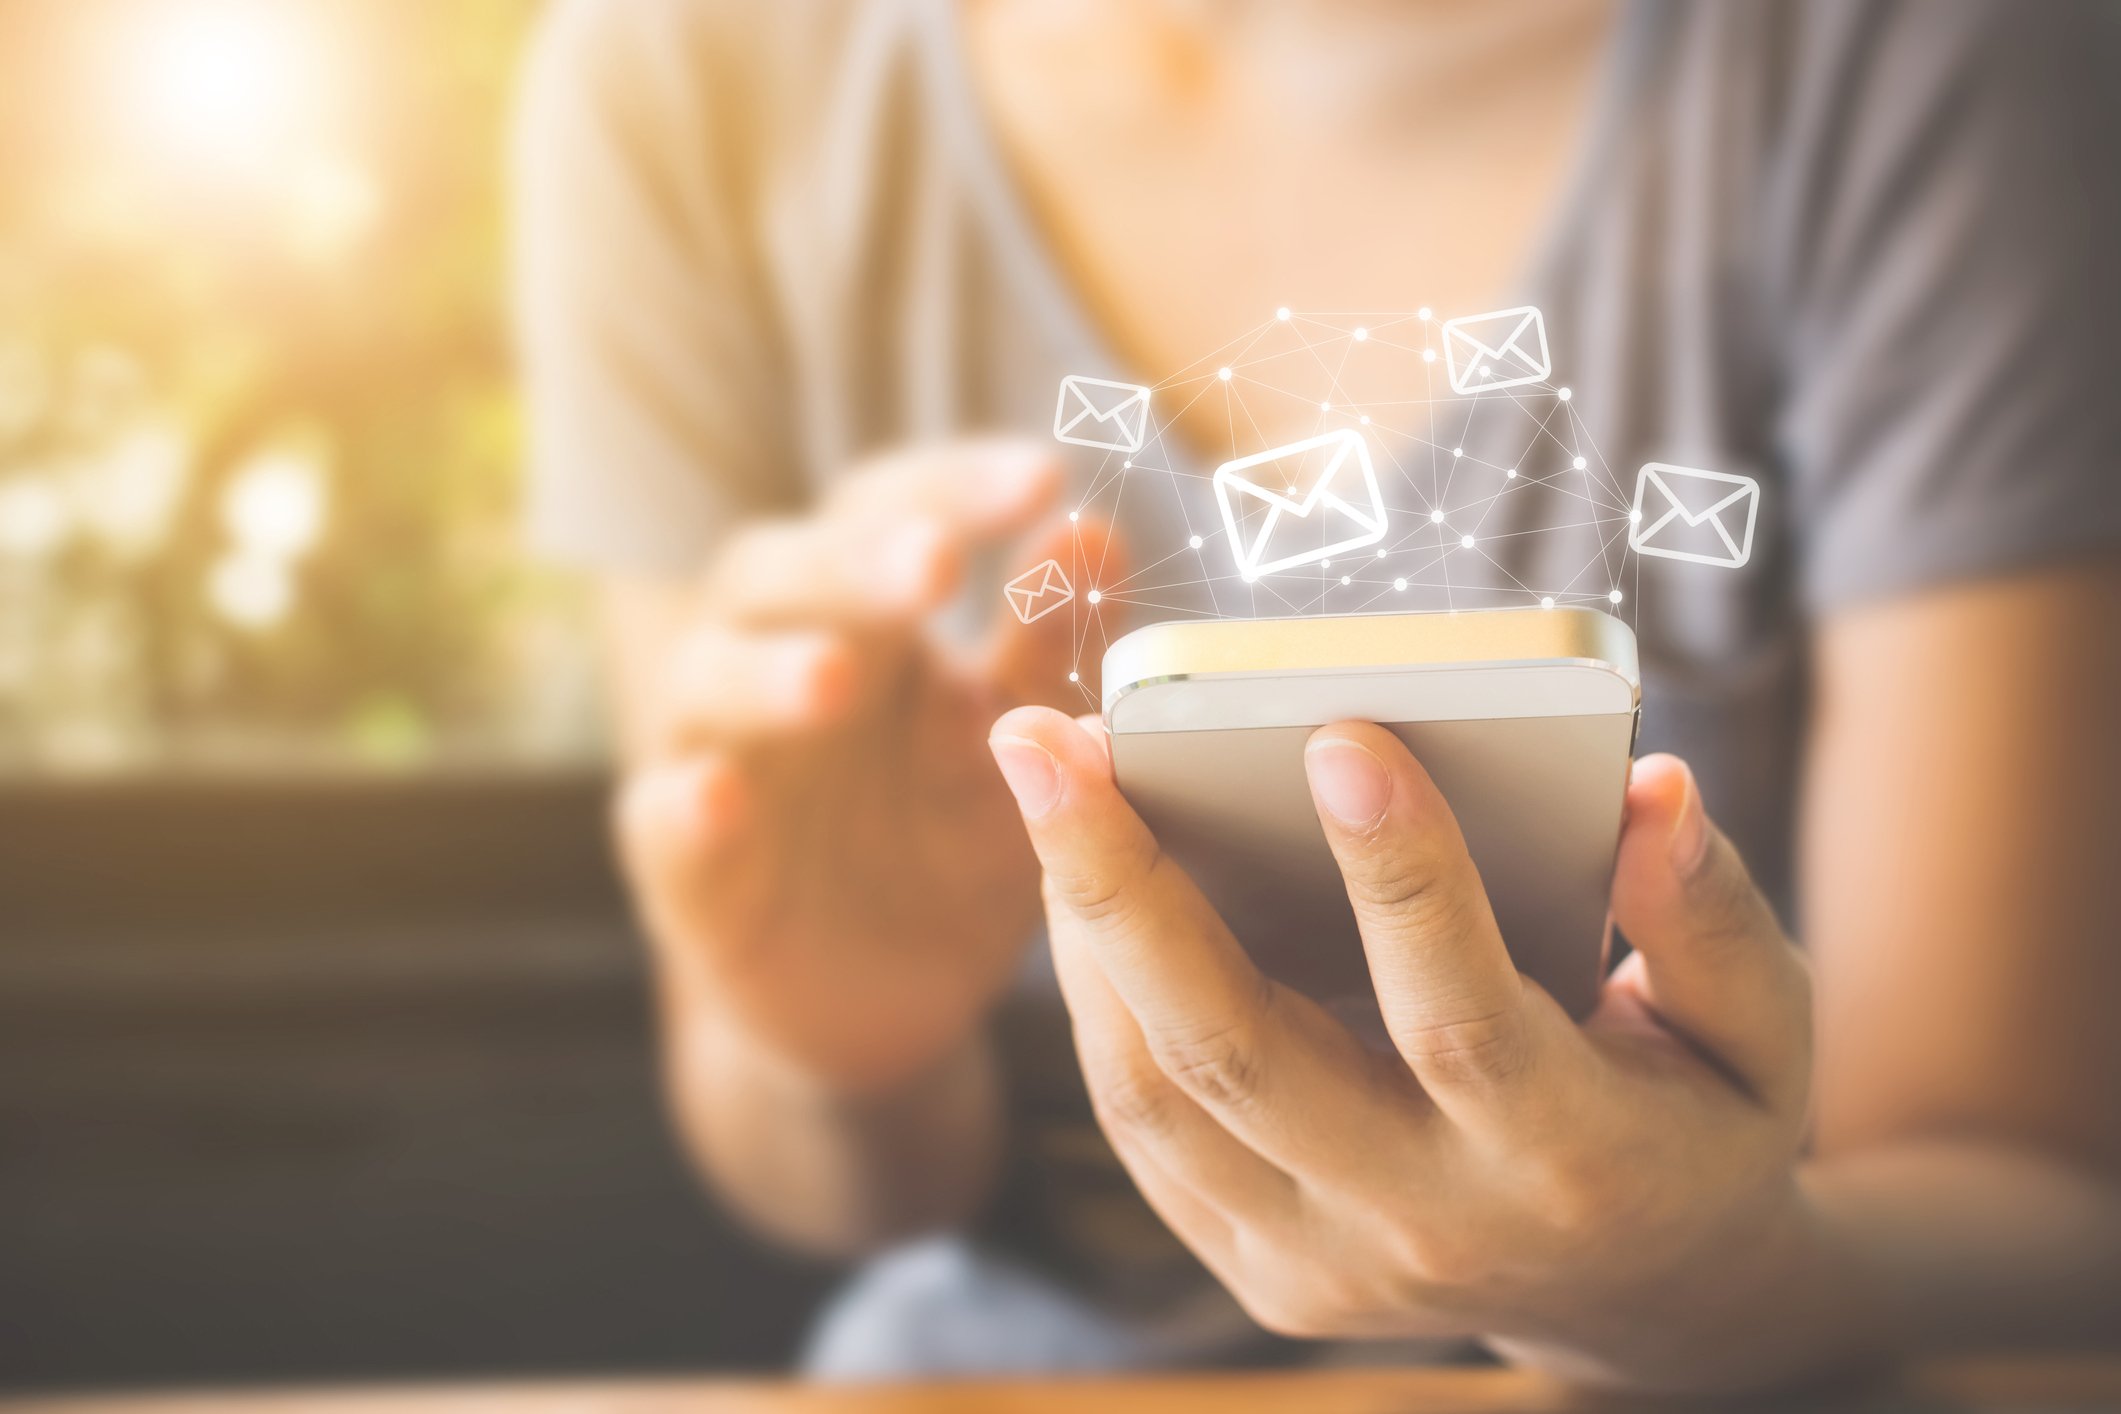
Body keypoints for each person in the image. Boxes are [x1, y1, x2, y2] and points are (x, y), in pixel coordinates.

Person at [512, 0, 2121, 1391]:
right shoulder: (691, 78)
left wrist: (1697, 1288)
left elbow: (2038, 1206)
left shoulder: (1922, 58)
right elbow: (819, 1179)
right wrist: (842, 1049)